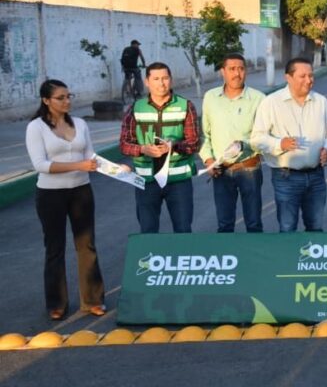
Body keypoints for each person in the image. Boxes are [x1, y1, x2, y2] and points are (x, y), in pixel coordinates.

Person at [25, 80, 106, 320]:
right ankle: (56, 303)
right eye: (60, 97)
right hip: (50, 195)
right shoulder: (36, 127)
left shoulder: (80, 124)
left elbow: (91, 156)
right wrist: (79, 165)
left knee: (87, 245)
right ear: (46, 100)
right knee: (55, 248)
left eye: (68, 96)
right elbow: (40, 165)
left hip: (81, 191)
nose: (67, 101)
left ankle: (92, 300)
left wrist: (116, 168)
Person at [251, 57, 327, 232]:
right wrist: (279, 143)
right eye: (302, 76)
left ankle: (311, 259)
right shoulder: (271, 103)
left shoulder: (321, 102)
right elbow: (257, 139)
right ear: (288, 78)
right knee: (288, 227)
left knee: (315, 226)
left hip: (316, 177)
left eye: (311, 75)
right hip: (286, 178)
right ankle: (288, 259)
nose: (309, 80)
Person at [119, 62, 200, 233]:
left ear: (171, 80)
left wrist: (174, 146)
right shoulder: (136, 108)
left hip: (178, 181)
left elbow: (194, 143)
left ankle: (181, 259)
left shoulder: (186, 106)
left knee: (183, 230)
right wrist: (143, 149)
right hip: (146, 182)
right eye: (156, 79)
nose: (161, 83)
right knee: (148, 231)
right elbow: (125, 144)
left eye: (165, 78)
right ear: (147, 81)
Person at [200, 53, 266, 233]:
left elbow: (264, 136)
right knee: (225, 225)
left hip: (249, 168)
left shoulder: (259, 98)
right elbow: (205, 135)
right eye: (232, 69)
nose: (237, 73)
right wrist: (208, 161)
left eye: (241, 69)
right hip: (221, 171)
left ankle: (254, 259)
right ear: (223, 71)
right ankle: (227, 260)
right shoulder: (210, 98)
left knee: (253, 224)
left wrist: (245, 144)